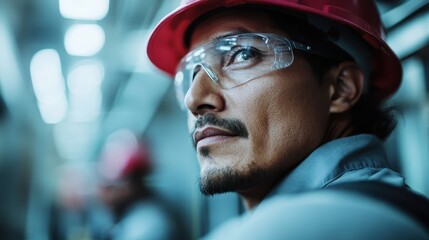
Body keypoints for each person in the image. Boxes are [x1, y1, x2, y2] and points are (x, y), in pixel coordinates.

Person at [146, 0, 429, 239]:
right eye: (191, 73)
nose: (194, 99)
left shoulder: (322, 226)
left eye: (243, 54)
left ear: (341, 89)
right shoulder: (391, 208)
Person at [94, 132, 185, 240]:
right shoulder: (120, 215)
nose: (103, 193)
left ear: (133, 183)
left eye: (110, 186)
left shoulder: (148, 225)